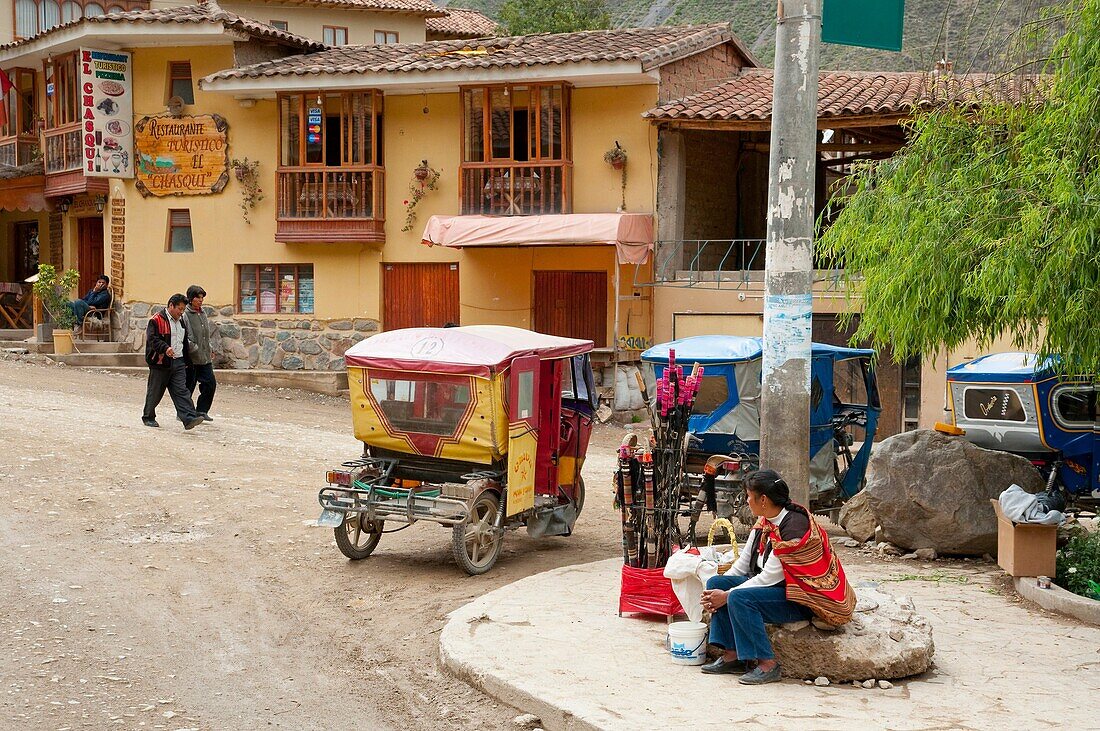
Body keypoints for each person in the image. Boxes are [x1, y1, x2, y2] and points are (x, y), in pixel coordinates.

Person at [699, 470, 814, 685]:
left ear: (763, 499)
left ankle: (767, 664)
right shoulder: (765, 521)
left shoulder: (794, 526)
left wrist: (726, 595)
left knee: (738, 597)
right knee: (716, 582)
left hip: (793, 597)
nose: (747, 501)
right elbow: (742, 564)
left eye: (748, 497)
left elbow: (769, 577)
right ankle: (732, 655)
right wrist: (714, 591)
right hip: (770, 589)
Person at [142, 293, 204, 430]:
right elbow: (152, 340)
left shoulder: (181, 321)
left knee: (182, 391)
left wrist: (188, 362)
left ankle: (189, 418)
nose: (181, 312)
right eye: (179, 309)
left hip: (179, 362)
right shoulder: (156, 320)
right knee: (155, 391)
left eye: (183, 309)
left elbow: (183, 343)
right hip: (160, 363)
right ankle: (148, 417)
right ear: (171, 305)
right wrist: (165, 348)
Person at [183, 284, 217, 421]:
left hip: (204, 357)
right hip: (192, 358)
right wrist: (194, 348)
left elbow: (205, 335)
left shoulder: (203, 313)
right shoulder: (185, 315)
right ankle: (184, 412)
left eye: (202, 298)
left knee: (210, 383)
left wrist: (210, 348)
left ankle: (202, 410)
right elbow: (186, 336)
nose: (201, 300)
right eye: (198, 298)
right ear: (191, 299)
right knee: (188, 387)